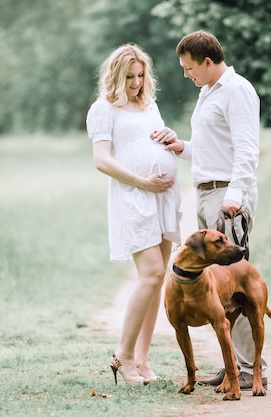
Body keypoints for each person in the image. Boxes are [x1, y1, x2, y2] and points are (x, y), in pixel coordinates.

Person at [151, 30, 267, 390]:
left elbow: (247, 149)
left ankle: (248, 368)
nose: (187, 75)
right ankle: (234, 364)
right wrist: (180, 146)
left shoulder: (238, 91)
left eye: (189, 68)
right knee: (218, 288)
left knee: (235, 284)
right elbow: (208, 148)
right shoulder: (208, 93)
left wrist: (235, 195)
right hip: (205, 192)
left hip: (226, 198)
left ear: (207, 61)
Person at [86, 44, 182, 385]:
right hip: (134, 197)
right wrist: (143, 181)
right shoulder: (104, 109)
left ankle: (142, 360)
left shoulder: (149, 104)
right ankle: (122, 356)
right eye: (129, 77)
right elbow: (102, 160)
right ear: (115, 75)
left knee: (156, 282)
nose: (136, 83)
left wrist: (171, 138)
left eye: (141, 75)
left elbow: (153, 140)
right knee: (152, 273)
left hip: (163, 196)